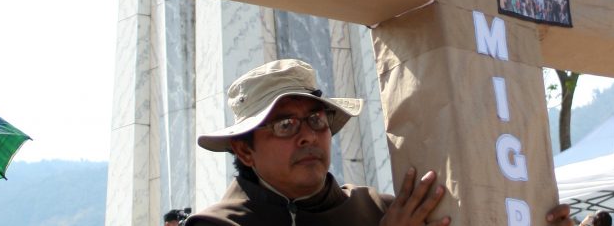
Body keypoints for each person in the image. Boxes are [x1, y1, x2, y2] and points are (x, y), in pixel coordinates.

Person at [183, 59, 575, 226]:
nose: (308, 135)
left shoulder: (380, 209)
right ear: (244, 149)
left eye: (316, 119)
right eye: (285, 125)